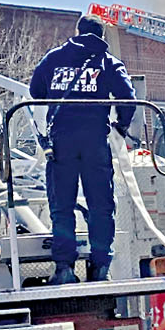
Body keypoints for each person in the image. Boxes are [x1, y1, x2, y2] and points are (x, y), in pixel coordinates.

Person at [28, 15, 137, 285]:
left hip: (61, 142)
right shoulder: (108, 62)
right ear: (101, 36)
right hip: (94, 142)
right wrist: (121, 126)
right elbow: (129, 99)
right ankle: (100, 267)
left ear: (77, 32)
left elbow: (35, 89)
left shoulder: (54, 58)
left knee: (61, 205)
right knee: (101, 204)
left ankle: (64, 268)